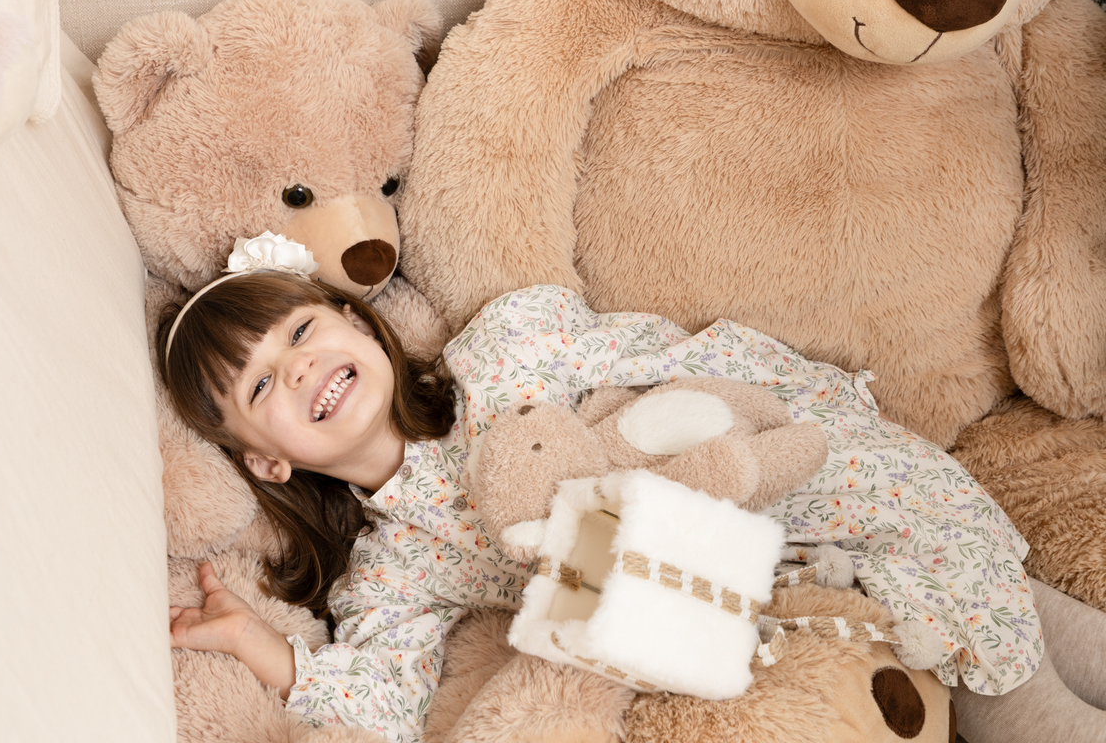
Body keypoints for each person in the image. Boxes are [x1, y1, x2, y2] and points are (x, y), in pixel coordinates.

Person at [158, 233, 1097, 743]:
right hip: (796, 590)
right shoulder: (396, 565)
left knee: (1024, 669)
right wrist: (258, 646)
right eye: (261, 387)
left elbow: (683, 362)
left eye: (300, 333)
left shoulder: (505, 356)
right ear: (267, 462)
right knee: (1015, 647)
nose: (298, 368)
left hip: (821, 482)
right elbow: (385, 699)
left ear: (358, 323)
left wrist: (803, 408)